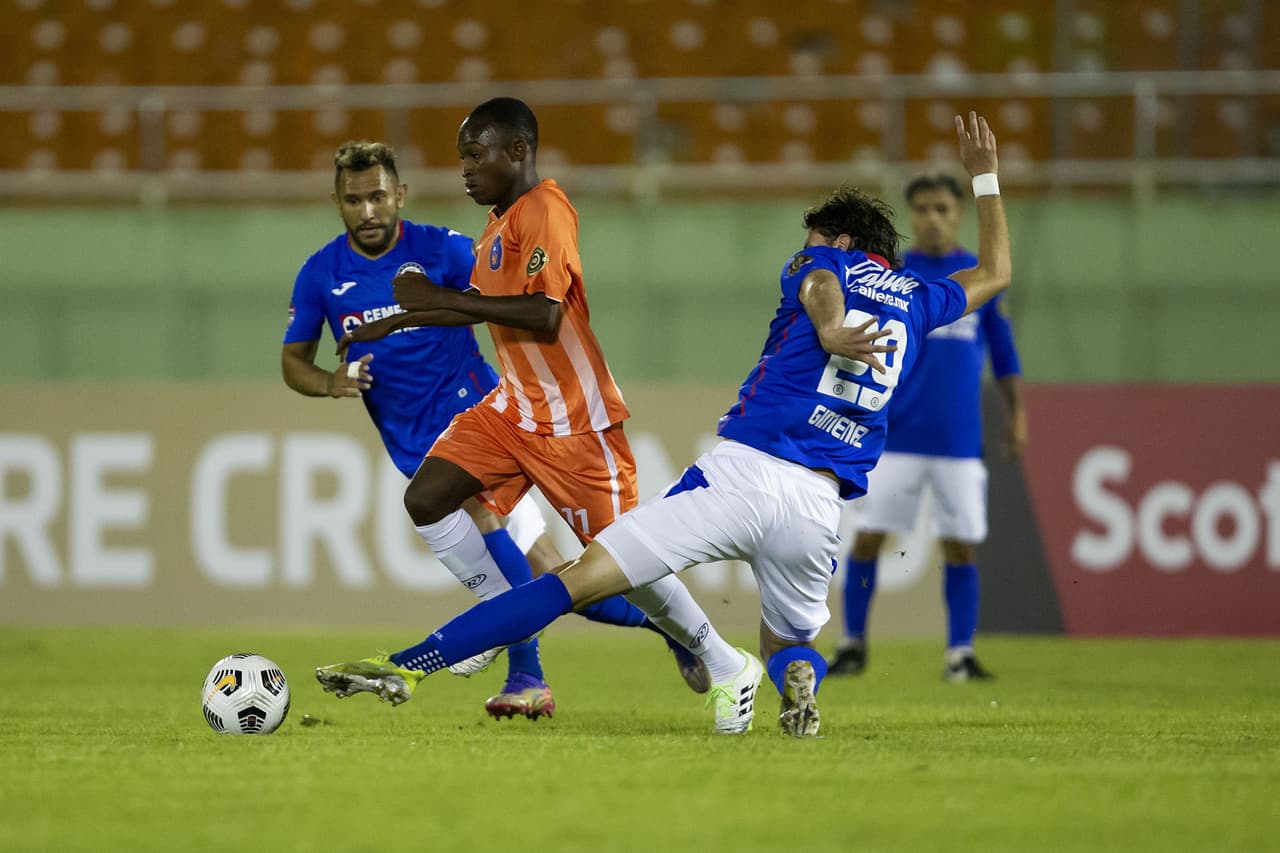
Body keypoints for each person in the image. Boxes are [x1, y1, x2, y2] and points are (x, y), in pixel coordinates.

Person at [316, 111, 1011, 737]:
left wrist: (828, 324)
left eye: (812, 240)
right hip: (818, 505)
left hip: (738, 471)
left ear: (841, 238)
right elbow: (997, 272)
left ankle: (414, 662)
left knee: (575, 581)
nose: (803, 249)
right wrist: (987, 181)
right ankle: (793, 677)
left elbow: (820, 285)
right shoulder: (922, 298)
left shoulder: (821, 261)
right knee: (789, 643)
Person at [313, 98, 749, 730]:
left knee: (631, 570)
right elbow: (476, 305)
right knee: (427, 496)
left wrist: (431, 296)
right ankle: (498, 616)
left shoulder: (546, 209)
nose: (463, 169)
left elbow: (544, 315)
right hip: (513, 411)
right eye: (461, 155)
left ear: (516, 150)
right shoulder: (497, 225)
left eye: (474, 154)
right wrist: (401, 317)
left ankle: (719, 657)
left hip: (576, 425)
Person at [826, 173, 1027, 683]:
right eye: (923, 209)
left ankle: (959, 653)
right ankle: (852, 644)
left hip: (959, 442)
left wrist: (1017, 412)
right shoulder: (895, 275)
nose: (932, 218)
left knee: (960, 544)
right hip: (894, 436)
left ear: (957, 214)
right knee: (868, 537)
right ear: (911, 215)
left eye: (942, 208)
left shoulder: (975, 275)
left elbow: (1001, 348)